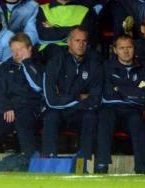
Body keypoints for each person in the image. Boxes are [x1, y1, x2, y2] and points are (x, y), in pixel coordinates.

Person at [42, 26, 103, 159]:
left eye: (84, 41)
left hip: (81, 113)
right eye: (77, 40)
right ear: (69, 42)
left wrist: (64, 98)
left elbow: (95, 100)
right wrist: (78, 97)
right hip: (59, 112)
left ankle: (85, 162)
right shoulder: (55, 62)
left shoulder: (95, 64)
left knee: (91, 116)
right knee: (50, 116)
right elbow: (51, 101)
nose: (81, 44)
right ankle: (48, 161)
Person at [96, 34, 145, 174]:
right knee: (103, 118)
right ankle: (101, 166)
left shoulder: (144, 68)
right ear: (115, 50)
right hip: (111, 109)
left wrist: (120, 89)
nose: (126, 51)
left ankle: (142, 169)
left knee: (138, 121)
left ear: (134, 48)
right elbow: (108, 93)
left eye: (129, 47)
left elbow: (144, 93)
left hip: (133, 111)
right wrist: (133, 89)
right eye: (122, 48)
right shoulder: (106, 67)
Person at [0, 33, 42, 158]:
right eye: (13, 50)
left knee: (23, 125)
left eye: (20, 49)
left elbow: (38, 86)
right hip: (7, 109)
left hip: (29, 108)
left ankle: (30, 164)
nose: (16, 53)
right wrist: (6, 107)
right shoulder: (4, 68)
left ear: (29, 48)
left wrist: (27, 63)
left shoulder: (39, 65)